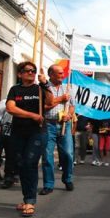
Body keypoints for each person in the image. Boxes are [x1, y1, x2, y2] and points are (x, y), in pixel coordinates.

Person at [6, 61, 53, 217]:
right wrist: (32, 115)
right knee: (21, 165)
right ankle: (27, 199)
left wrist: (45, 84)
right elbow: (11, 108)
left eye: (33, 71)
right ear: (20, 74)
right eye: (28, 71)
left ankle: (30, 201)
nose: (31, 73)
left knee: (30, 164)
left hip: (37, 132)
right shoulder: (15, 89)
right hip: (18, 132)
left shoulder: (39, 88)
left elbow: (50, 102)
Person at [40, 64, 75, 195]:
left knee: (68, 154)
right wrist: (60, 99)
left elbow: (72, 106)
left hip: (65, 125)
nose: (62, 75)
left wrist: (69, 115)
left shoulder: (68, 88)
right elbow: (43, 106)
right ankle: (48, 184)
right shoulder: (43, 88)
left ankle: (67, 178)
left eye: (63, 73)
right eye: (59, 73)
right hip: (48, 124)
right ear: (51, 75)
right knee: (47, 156)